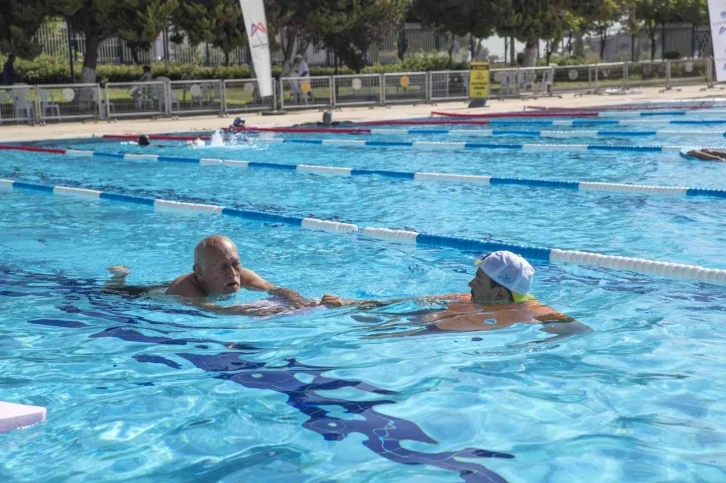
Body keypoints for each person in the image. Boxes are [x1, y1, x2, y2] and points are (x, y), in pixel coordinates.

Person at [321, 251, 590, 340]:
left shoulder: (530, 312)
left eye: (479, 280)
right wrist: (348, 303)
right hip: (436, 323)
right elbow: (405, 302)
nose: (471, 282)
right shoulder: (467, 298)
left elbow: (581, 331)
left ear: (499, 291)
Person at [105, 235, 318, 316]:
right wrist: (251, 311)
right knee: (110, 292)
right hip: (148, 296)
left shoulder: (241, 274)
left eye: (235, 264)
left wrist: (296, 300)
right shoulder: (184, 287)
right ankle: (118, 278)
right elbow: (213, 310)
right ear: (199, 272)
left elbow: (275, 289)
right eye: (223, 267)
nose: (233, 273)